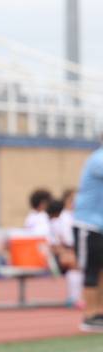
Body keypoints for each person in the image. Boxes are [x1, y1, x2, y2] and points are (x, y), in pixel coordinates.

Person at [72, 135, 103, 332]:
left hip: (100, 226)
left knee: (101, 270)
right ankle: (89, 315)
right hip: (88, 225)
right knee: (91, 270)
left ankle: (99, 312)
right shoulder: (98, 159)